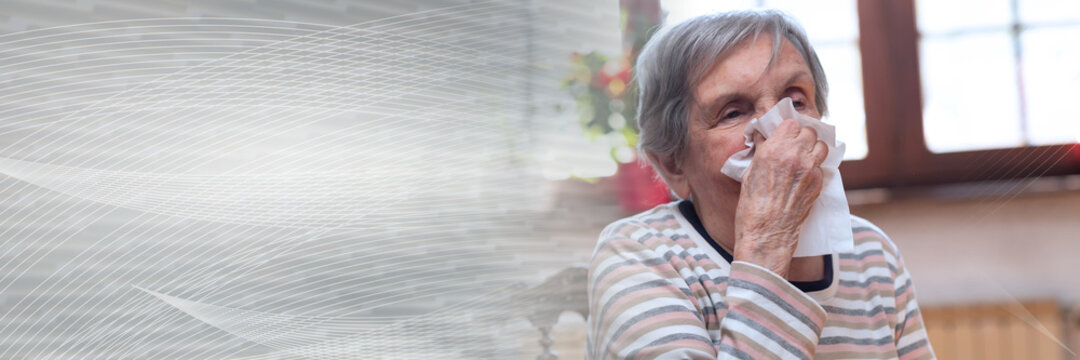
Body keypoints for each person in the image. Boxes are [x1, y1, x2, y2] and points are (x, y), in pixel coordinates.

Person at [586, 10, 935, 360]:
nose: (778, 128)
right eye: (733, 112)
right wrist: (768, 246)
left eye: (796, 100)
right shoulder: (640, 255)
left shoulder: (872, 253)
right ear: (673, 163)